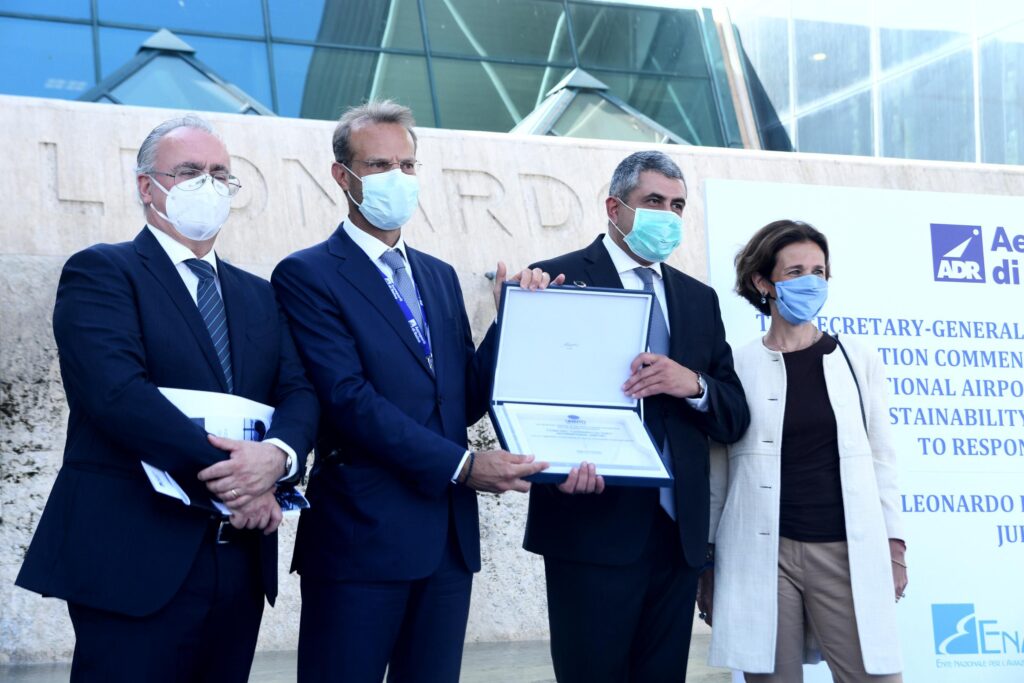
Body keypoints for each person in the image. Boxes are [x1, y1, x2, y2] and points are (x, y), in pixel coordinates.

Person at [15, 115, 320, 682]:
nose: (208, 184)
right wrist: (240, 479)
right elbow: (116, 395)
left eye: (219, 174)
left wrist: (277, 458)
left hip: (238, 559)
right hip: (134, 553)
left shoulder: (258, 294)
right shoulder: (103, 272)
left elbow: (298, 391)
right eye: (189, 172)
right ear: (145, 186)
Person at [271, 99, 559, 683]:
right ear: (342, 176)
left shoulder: (438, 275)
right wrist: (462, 465)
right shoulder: (307, 275)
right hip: (362, 538)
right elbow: (348, 400)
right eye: (379, 166)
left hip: (446, 544)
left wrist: (513, 322)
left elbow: (461, 398)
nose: (397, 179)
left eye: (406, 165)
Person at [523, 150, 750, 682]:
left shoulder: (698, 299)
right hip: (589, 523)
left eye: (677, 205)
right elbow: (513, 392)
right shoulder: (554, 279)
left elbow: (734, 414)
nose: (667, 216)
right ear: (614, 207)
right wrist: (551, 468)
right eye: (654, 201)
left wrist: (691, 384)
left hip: (677, 535)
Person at [699, 219, 907, 682]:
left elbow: (882, 460)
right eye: (795, 272)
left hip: (845, 551)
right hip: (762, 555)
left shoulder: (857, 359)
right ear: (762, 282)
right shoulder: (734, 365)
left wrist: (894, 546)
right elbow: (717, 473)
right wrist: (708, 563)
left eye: (819, 270)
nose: (811, 282)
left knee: (874, 676)